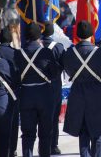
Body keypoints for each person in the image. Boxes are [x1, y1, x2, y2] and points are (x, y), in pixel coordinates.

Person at [62, 21, 101, 157]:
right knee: (98, 132)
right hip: (97, 93)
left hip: (78, 92)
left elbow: (68, 71)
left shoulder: (69, 53)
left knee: (83, 131)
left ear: (77, 35)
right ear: (92, 34)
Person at [14, 23, 61, 157]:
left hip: (26, 95)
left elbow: (15, 77)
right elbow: (54, 73)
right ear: (38, 36)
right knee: (45, 133)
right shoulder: (45, 52)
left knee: (27, 134)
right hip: (44, 94)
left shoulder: (18, 54)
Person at [41, 21, 65, 155]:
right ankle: (53, 145)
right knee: (53, 117)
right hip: (54, 84)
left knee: (40, 117)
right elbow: (63, 64)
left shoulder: (36, 45)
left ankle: (42, 145)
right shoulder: (58, 47)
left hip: (38, 85)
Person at [0, 27, 19, 157]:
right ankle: (12, 149)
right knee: (13, 122)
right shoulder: (15, 53)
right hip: (12, 91)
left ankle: (1, 148)